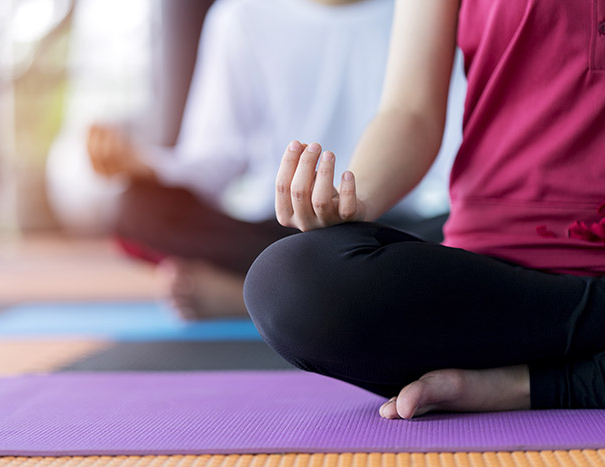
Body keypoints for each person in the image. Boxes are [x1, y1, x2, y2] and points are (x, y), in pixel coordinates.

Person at [243, 0, 605, 419]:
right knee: (289, 285)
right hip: (496, 280)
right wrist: (354, 201)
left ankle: (527, 383)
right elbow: (410, 111)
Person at [87, 0, 465, 319]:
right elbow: (216, 156)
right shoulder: (242, 17)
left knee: (466, 232)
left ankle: (260, 292)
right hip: (285, 226)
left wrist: (357, 205)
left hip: (398, 223)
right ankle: (288, 285)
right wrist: (147, 167)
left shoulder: (428, 11)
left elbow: (449, 150)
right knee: (137, 207)